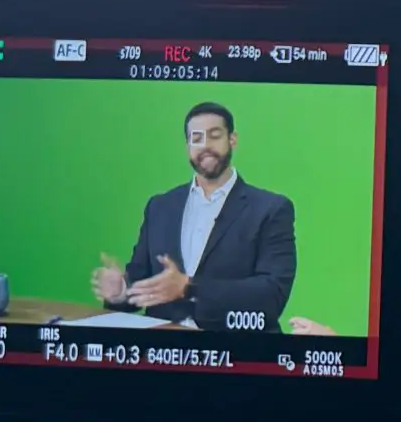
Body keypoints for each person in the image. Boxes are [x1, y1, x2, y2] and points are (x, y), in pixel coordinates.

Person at [90, 101, 298, 332]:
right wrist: (120, 291)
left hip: (237, 350)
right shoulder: (160, 206)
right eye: (196, 138)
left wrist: (189, 287)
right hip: (165, 350)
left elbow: (272, 294)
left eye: (214, 135)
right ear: (188, 146)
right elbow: (141, 283)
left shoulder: (271, 209)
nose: (205, 145)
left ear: (232, 140)